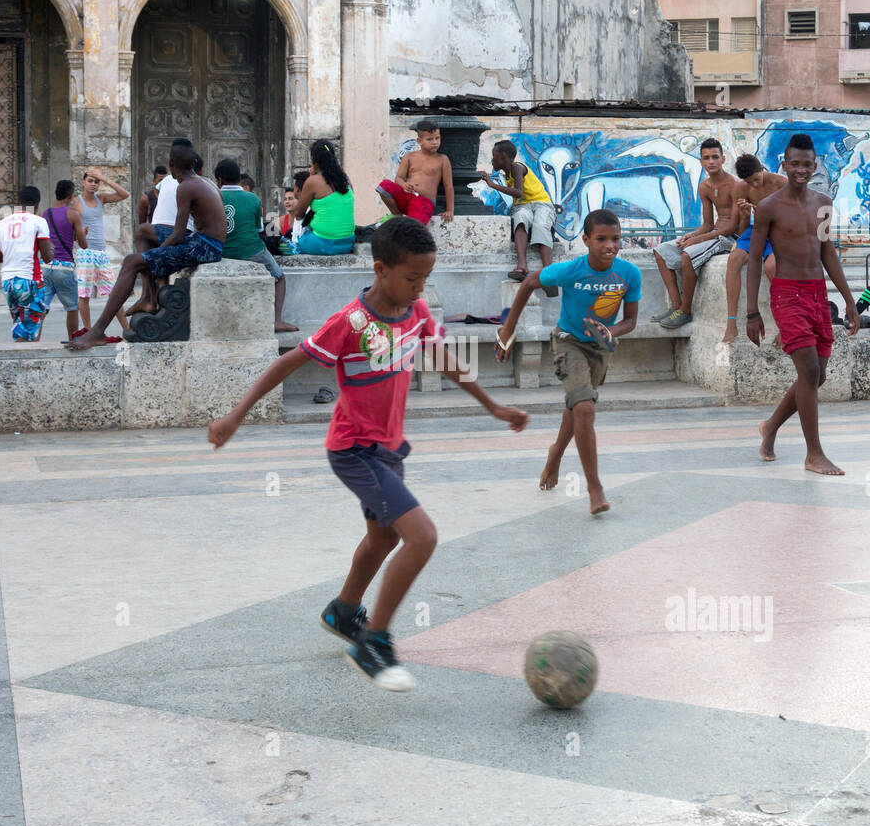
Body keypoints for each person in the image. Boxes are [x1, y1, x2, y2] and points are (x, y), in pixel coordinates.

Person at [208, 218, 528, 691]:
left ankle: (344, 612)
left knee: (383, 541)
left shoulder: (416, 310)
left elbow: (446, 360)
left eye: (426, 279)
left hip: (389, 449)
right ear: (380, 269)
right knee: (421, 537)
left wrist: (494, 406)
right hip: (355, 451)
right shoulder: (350, 323)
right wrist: (235, 415)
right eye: (412, 278)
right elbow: (286, 363)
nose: (420, 287)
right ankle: (373, 640)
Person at [496, 208, 640, 516]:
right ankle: (595, 489)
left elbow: (630, 321)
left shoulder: (629, 274)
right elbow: (528, 283)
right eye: (601, 239)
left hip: (601, 348)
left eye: (615, 239)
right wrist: (508, 330)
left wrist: (609, 331)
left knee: (576, 407)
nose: (609, 246)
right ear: (586, 240)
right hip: (568, 342)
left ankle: (555, 454)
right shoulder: (570, 270)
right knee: (585, 407)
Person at [746, 133, 858, 476]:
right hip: (786, 293)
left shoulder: (822, 202)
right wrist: (752, 311)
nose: (801, 170)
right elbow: (753, 260)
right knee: (808, 370)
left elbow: (827, 254)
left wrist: (849, 299)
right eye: (794, 164)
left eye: (807, 164)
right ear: (784, 164)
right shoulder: (769, 207)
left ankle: (771, 426)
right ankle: (814, 454)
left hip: (817, 294)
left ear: (815, 166)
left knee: (818, 375)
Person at [65, 142, 225, 350]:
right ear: (194, 164)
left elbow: (177, 235)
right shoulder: (206, 182)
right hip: (209, 243)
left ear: (171, 164)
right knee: (143, 236)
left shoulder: (185, 187)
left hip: (205, 246)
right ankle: (147, 296)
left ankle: (97, 331)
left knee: (132, 262)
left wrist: (157, 254)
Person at [652, 138, 737, 329]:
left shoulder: (734, 185)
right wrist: (690, 236)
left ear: (723, 159)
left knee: (687, 256)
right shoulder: (705, 187)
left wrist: (698, 240)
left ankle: (685, 311)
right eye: (706, 158)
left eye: (715, 157)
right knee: (660, 250)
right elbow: (707, 224)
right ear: (701, 161)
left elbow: (733, 226)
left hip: (731, 238)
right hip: (715, 233)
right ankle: (675, 306)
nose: (711, 162)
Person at [216, 156, 297, 332]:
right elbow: (258, 228)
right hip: (250, 251)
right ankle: (277, 320)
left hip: (222, 251)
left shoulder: (213, 196)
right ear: (239, 178)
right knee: (279, 277)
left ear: (219, 180)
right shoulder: (253, 199)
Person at [723, 154, 787, 344]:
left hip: (779, 232)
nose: (755, 186)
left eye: (756, 180)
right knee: (733, 260)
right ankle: (731, 323)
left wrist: (768, 214)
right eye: (750, 183)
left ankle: (784, 326)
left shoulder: (781, 183)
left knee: (772, 267)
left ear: (762, 170)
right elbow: (742, 229)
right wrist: (745, 215)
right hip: (756, 230)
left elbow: (792, 219)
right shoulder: (742, 187)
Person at [481, 139, 557, 289]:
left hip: (541, 204)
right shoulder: (507, 173)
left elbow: (518, 191)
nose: (491, 159)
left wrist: (492, 185)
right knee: (520, 219)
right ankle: (522, 266)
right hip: (523, 206)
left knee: (540, 225)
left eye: (494, 155)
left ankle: (549, 273)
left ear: (502, 157)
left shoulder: (516, 167)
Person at [75, 166, 131, 340]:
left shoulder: (101, 198)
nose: (93, 184)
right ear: (83, 182)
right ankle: (89, 331)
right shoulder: (76, 202)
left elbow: (124, 194)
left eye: (96, 181)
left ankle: (128, 330)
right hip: (85, 252)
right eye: (90, 180)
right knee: (84, 294)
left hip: (101, 252)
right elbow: (70, 226)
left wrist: (105, 179)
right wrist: (79, 237)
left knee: (113, 293)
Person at [0, 186, 54, 342]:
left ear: (18, 202)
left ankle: (30, 362)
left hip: (8, 282)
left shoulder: (2, 223)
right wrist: (51, 248)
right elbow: (47, 257)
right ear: (37, 204)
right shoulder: (39, 222)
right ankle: (22, 364)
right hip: (29, 279)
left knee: (22, 327)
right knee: (26, 334)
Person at [376, 119, 455, 224]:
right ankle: (397, 216)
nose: (435, 142)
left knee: (413, 227)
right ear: (419, 141)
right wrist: (404, 185)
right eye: (430, 139)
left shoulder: (442, 159)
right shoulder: (409, 156)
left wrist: (450, 210)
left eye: (437, 138)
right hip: (407, 196)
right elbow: (398, 178)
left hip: (424, 202)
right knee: (384, 186)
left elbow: (448, 186)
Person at [38, 179, 87, 340]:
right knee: (72, 308)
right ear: (71, 196)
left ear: (55, 193)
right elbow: (83, 245)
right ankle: (73, 340)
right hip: (65, 268)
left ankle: (34, 340)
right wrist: (83, 233)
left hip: (45, 266)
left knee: (41, 308)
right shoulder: (73, 215)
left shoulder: (43, 214)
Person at [295, 140, 356, 255]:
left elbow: (298, 214)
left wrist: (312, 176)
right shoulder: (345, 179)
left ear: (313, 160)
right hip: (348, 243)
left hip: (323, 244)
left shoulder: (312, 181)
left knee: (299, 239)